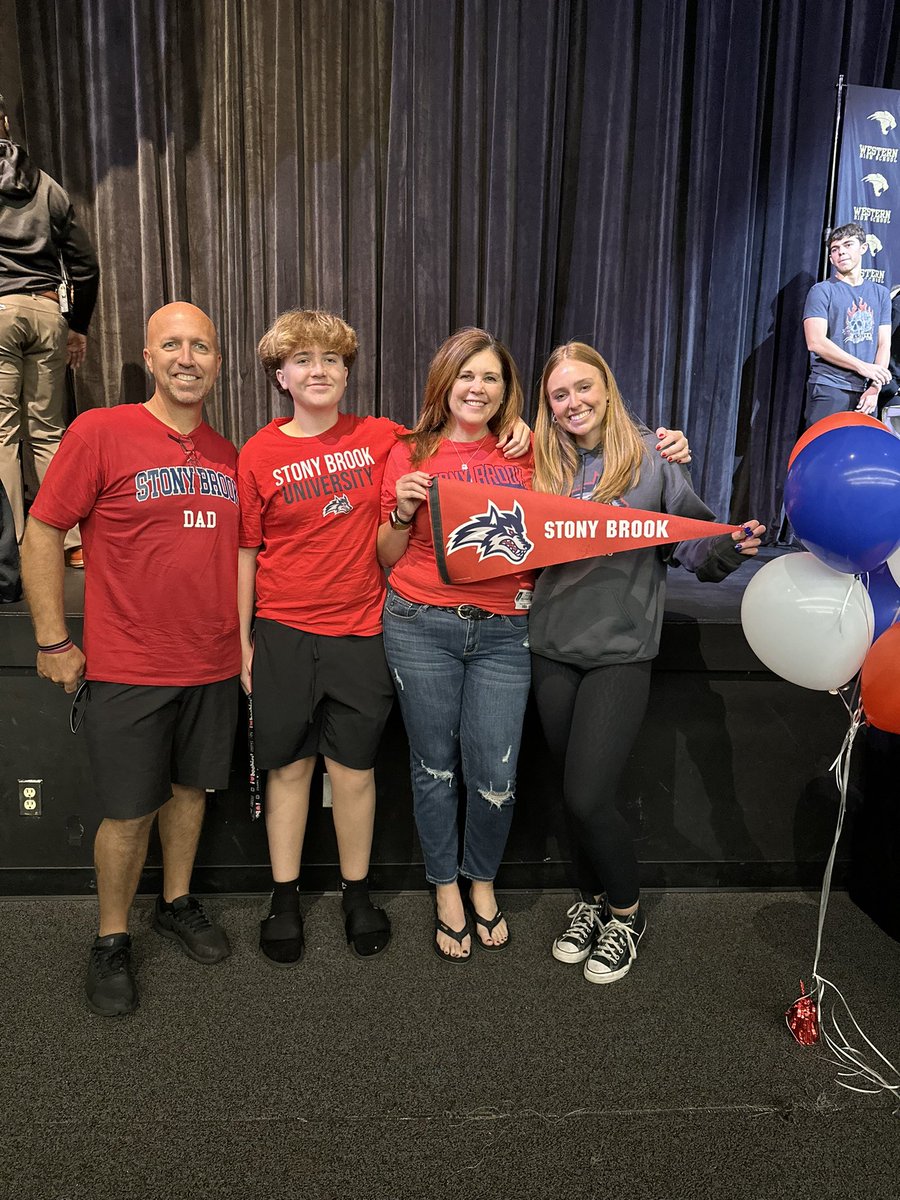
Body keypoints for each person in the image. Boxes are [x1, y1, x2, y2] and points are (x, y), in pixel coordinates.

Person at [377, 329, 693, 963]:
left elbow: (614, 480)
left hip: (506, 630)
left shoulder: (532, 453)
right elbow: (386, 555)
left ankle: (482, 883)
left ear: (507, 392)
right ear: (444, 382)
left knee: (496, 774)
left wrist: (671, 448)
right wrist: (400, 513)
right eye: (465, 375)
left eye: (491, 378)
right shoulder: (407, 451)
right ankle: (446, 890)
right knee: (434, 768)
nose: (477, 388)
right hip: (421, 624)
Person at [238, 310, 529, 967]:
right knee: (289, 769)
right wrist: (241, 642)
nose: (319, 371)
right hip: (284, 629)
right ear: (280, 376)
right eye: (303, 360)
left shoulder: (383, 437)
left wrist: (519, 425)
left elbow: (458, 426)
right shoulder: (259, 452)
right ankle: (283, 898)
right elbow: (246, 552)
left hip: (364, 627)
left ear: (348, 372)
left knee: (354, 771)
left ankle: (357, 893)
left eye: (332, 360)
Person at [21, 302, 239, 1017]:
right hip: (128, 667)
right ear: (148, 358)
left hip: (211, 665)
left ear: (217, 362)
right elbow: (44, 529)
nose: (187, 358)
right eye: (171, 345)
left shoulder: (228, 454)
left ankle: (176, 903)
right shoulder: (101, 432)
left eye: (200, 346)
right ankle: (111, 938)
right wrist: (52, 638)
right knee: (127, 813)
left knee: (190, 793)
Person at [528, 342, 764, 985]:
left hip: (621, 650)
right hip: (551, 647)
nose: (573, 402)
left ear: (607, 387)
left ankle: (625, 915)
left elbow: (695, 547)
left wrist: (731, 547)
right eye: (559, 394)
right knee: (570, 796)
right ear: (548, 406)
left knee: (588, 795)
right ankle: (590, 901)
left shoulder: (651, 459)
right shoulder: (538, 463)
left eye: (583, 387)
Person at [0, 93, 99, 565]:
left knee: (2, 433)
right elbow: (86, 265)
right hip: (46, 312)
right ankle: (71, 542)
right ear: (5, 122)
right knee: (47, 432)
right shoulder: (47, 186)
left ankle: (11, 550)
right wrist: (77, 325)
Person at [802, 222, 891, 427]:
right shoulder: (822, 291)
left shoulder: (880, 294)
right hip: (830, 387)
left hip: (867, 393)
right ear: (831, 258)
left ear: (863, 248)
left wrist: (875, 387)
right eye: (835, 249)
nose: (841, 252)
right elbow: (815, 342)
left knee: (862, 448)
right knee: (824, 446)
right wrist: (863, 367)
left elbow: (884, 344)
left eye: (848, 245)